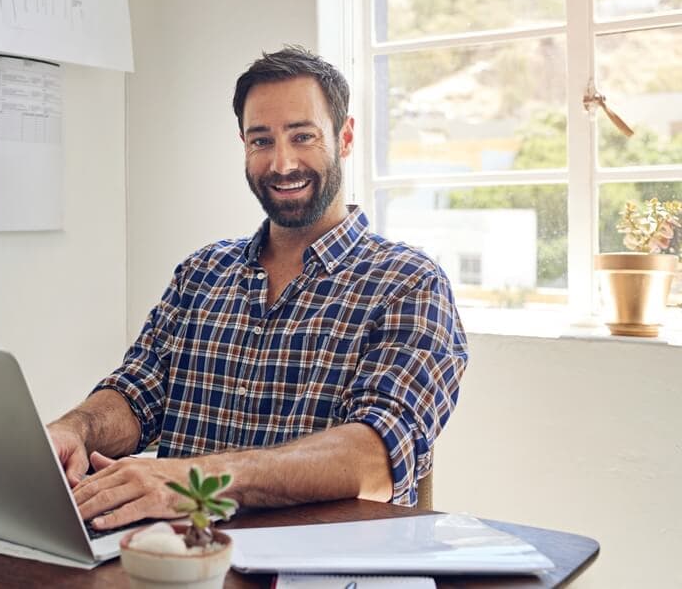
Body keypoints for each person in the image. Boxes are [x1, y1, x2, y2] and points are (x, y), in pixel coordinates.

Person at [48, 46, 467, 531]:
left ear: (345, 137)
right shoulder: (202, 272)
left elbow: (375, 457)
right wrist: (74, 430)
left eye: (303, 136)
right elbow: (138, 393)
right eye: (261, 141)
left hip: (316, 570)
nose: (281, 163)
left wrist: (190, 482)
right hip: (176, 562)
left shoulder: (408, 283)